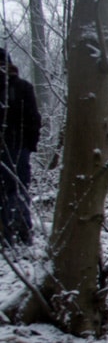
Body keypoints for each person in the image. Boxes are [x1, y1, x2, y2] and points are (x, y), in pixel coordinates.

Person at [0, 48, 41, 247]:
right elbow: (34, 119)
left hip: (17, 148)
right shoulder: (23, 87)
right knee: (17, 190)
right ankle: (20, 237)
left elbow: (34, 119)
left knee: (14, 191)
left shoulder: (22, 88)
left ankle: (14, 237)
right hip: (18, 149)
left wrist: (29, 146)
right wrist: (29, 146)